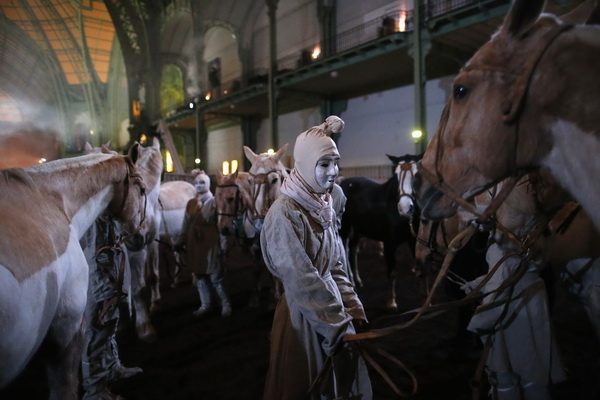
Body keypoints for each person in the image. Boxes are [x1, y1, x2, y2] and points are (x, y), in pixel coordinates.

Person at [260, 115, 372, 400]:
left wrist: (353, 309)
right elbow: (301, 279)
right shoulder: (284, 214)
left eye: (336, 163)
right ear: (305, 165)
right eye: (324, 164)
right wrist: (335, 327)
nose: (333, 172)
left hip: (333, 310)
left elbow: (336, 264)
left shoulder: (324, 204)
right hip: (304, 317)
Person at [80, 216, 143, 400]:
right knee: (97, 327)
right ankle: (95, 390)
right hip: (96, 265)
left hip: (107, 262)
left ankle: (112, 368)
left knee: (109, 321)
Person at [176, 169, 232, 318]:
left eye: (202, 182)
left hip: (210, 241)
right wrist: (180, 240)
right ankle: (205, 304)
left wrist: (224, 245)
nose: (199, 185)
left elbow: (221, 225)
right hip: (194, 242)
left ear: (208, 184)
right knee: (200, 275)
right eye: (196, 183)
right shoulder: (191, 203)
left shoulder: (215, 202)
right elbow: (185, 223)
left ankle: (225, 304)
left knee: (215, 275)